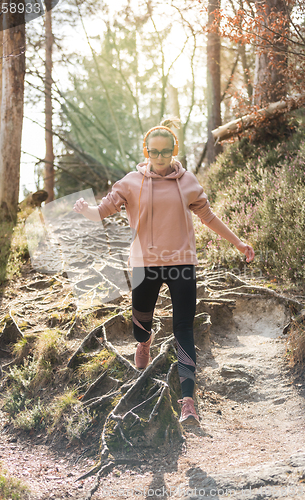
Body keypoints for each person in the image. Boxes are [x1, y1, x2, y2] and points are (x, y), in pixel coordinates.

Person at [73, 117, 255, 426]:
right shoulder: (130, 182)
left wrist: (237, 242)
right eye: (154, 152)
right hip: (144, 264)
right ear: (146, 150)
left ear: (174, 150)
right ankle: (144, 341)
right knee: (140, 324)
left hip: (181, 263)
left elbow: (208, 216)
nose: (159, 158)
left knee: (183, 327)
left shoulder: (187, 182)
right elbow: (103, 210)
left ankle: (188, 402)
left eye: (165, 151)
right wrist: (86, 210)